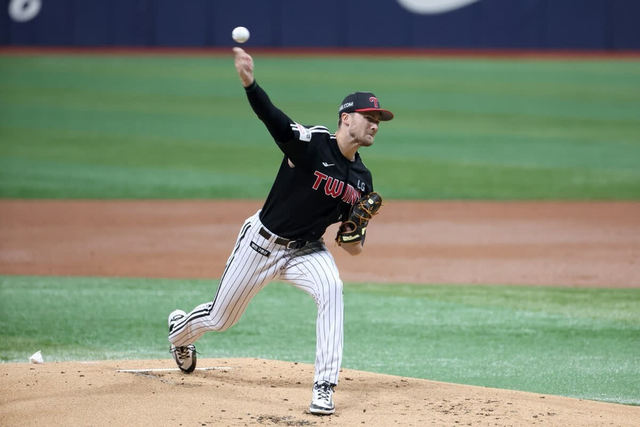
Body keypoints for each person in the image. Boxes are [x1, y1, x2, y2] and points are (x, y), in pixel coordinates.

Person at [167, 47, 394, 415]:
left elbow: (352, 246)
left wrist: (355, 230)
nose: (374, 125)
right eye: (368, 117)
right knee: (221, 318)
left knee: (332, 289)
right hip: (261, 244)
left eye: (378, 120)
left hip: (308, 250)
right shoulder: (312, 143)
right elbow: (273, 118)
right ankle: (179, 330)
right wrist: (250, 85)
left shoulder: (362, 180)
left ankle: (324, 387)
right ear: (346, 118)